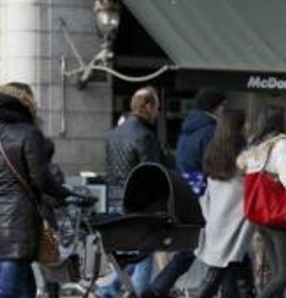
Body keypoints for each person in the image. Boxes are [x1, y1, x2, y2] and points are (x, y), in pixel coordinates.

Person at [0, 83, 69, 298]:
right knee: (8, 289)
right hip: (17, 218)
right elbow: (41, 178)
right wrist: (64, 194)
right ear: (25, 105)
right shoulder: (30, 134)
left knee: (25, 288)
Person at [144, 88, 227, 297]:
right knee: (220, 247)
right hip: (207, 194)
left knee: (191, 245)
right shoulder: (211, 131)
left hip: (187, 191)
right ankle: (164, 288)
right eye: (223, 106)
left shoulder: (187, 130)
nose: (224, 110)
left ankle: (159, 287)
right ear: (215, 107)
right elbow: (214, 164)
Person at [236, 105, 286, 298]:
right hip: (277, 215)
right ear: (280, 122)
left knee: (277, 274)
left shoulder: (254, 146)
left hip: (259, 216)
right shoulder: (280, 144)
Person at [99, 86, 165, 298]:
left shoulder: (113, 135)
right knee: (144, 253)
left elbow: (109, 169)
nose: (158, 113)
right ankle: (134, 293)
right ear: (147, 106)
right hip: (140, 203)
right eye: (156, 108)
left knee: (128, 254)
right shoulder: (145, 136)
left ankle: (109, 290)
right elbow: (152, 173)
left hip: (116, 198)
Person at [192, 109, 255, 298]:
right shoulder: (244, 153)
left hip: (217, 219)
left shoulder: (213, 151)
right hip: (237, 220)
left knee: (235, 268)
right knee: (226, 268)